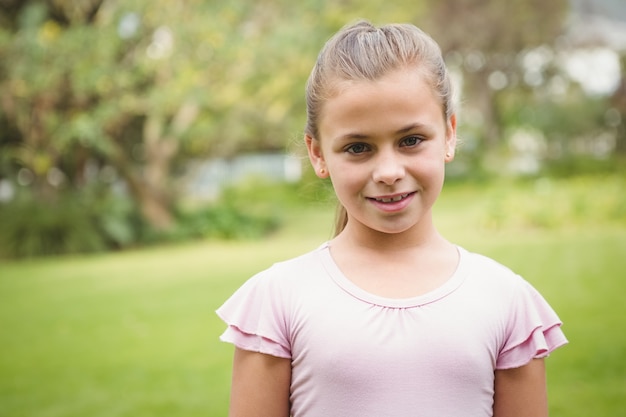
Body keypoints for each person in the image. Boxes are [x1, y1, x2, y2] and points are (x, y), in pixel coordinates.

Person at [216, 20, 567, 417]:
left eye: (411, 141)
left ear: (449, 134)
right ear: (317, 154)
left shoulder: (506, 301)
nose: (388, 171)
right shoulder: (276, 301)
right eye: (358, 147)